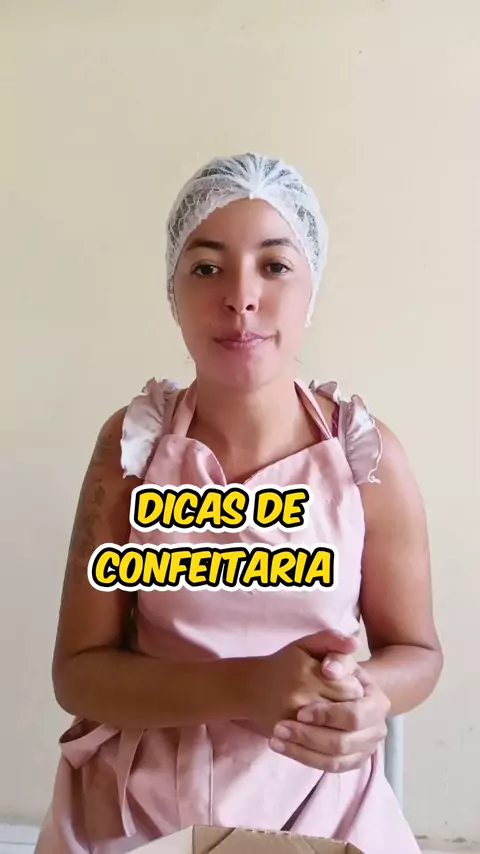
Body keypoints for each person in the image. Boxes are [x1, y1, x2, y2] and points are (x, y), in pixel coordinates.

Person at [35, 153, 443, 854]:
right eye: (206, 267)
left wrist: (365, 695)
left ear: (312, 288)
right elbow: (78, 673)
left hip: (320, 807)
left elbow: (417, 651)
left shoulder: (366, 458)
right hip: (140, 809)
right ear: (173, 292)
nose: (241, 297)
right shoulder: (132, 450)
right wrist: (245, 687)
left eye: (274, 265)